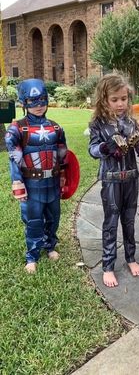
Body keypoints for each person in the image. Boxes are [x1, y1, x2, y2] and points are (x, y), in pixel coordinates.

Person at [88, 73, 139, 287]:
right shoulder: (98, 123)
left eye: (124, 98)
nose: (120, 103)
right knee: (111, 221)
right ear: (104, 99)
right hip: (112, 179)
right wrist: (105, 148)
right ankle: (108, 265)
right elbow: (92, 150)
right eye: (114, 99)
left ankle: (131, 258)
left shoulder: (131, 122)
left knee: (130, 221)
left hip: (131, 178)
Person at [5, 78, 67, 273]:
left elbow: (63, 155)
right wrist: (17, 183)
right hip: (31, 184)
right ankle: (32, 255)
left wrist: (65, 178)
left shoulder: (56, 128)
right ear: (24, 102)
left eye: (42, 100)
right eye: (33, 101)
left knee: (53, 217)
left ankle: (50, 246)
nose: (39, 105)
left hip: (53, 182)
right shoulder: (16, 129)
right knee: (33, 220)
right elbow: (14, 159)